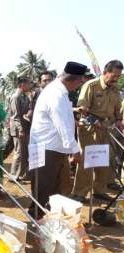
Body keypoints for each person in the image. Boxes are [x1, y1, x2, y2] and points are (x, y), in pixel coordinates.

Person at [28, 62, 87, 219]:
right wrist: (75, 150)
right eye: (81, 82)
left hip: (53, 148)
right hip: (47, 148)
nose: (79, 86)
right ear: (75, 80)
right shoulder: (56, 94)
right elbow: (62, 125)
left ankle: (47, 223)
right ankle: (36, 224)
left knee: (54, 191)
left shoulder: (60, 92)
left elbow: (64, 121)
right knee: (43, 190)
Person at [71, 60, 124, 203]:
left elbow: (118, 109)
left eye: (119, 76)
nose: (116, 79)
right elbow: (83, 109)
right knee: (87, 161)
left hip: (107, 128)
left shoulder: (115, 90)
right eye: (114, 75)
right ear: (106, 72)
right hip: (89, 128)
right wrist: (96, 121)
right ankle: (80, 193)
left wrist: (119, 120)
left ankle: (99, 191)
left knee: (103, 160)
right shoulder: (91, 86)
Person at [9, 76, 32, 181]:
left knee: (24, 152)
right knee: (18, 152)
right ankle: (13, 175)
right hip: (19, 129)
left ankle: (21, 174)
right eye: (28, 83)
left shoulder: (24, 96)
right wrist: (21, 129)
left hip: (24, 127)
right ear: (22, 84)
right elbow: (15, 115)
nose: (30, 85)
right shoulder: (16, 96)